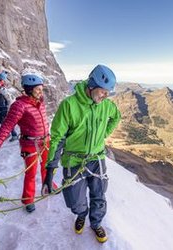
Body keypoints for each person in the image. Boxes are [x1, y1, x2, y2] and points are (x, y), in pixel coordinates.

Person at [42, 65, 121, 243]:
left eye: (108, 92)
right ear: (91, 86)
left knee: (99, 195)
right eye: (103, 91)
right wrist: (50, 169)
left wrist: (104, 134)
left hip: (97, 158)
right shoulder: (69, 105)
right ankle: (81, 214)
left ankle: (96, 223)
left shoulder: (107, 106)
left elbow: (116, 117)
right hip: (73, 160)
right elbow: (57, 139)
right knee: (75, 200)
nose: (105, 96)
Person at [0, 73, 57, 213]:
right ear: (29, 89)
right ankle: (27, 199)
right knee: (30, 173)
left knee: (46, 166)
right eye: (37, 89)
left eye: (41, 89)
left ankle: (48, 184)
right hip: (30, 144)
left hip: (45, 141)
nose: (40, 92)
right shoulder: (19, 106)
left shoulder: (40, 102)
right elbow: (7, 125)